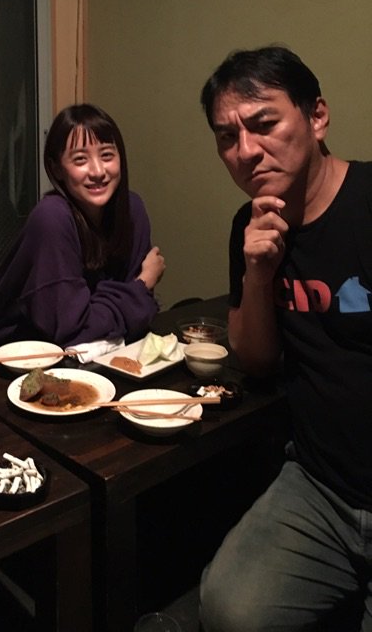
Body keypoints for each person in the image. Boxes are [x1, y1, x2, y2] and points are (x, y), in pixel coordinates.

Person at [198, 45, 372, 631]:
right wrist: (258, 274)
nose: (246, 150)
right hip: (320, 486)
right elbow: (256, 361)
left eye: (264, 124)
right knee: (228, 609)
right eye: (227, 137)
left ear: (317, 116)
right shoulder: (248, 227)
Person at [0, 103, 164, 373]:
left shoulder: (132, 210)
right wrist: (143, 283)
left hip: (85, 364)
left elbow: (141, 314)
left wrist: (129, 300)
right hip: (6, 371)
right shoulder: (52, 218)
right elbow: (74, 331)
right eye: (80, 160)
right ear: (56, 169)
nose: (97, 171)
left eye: (107, 155)